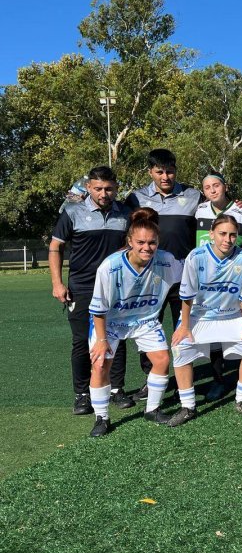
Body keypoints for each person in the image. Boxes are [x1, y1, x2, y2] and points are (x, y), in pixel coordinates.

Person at [85, 209, 179, 436]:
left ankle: (152, 409)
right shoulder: (110, 266)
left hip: (145, 320)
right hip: (109, 322)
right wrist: (101, 341)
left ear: (158, 242)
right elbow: (98, 308)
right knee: (100, 365)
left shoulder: (167, 261)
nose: (147, 247)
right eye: (141, 242)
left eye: (152, 242)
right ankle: (101, 418)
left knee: (162, 360)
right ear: (129, 242)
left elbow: (193, 273)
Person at [50, 166, 132, 414]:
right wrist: (57, 283)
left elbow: (130, 246)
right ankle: (82, 395)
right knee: (80, 341)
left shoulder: (125, 213)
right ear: (88, 187)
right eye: (98, 189)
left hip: (116, 288)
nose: (103, 194)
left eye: (109, 189)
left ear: (116, 188)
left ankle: (116, 389)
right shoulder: (73, 212)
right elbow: (55, 247)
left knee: (116, 338)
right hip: (81, 287)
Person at [169, 215, 242, 425]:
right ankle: (188, 406)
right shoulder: (196, 256)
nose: (227, 239)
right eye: (222, 234)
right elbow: (187, 296)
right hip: (200, 315)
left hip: (232, 315)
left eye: (232, 235)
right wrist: (184, 327)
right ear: (211, 234)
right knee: (180, 346)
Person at [125, 149, 202, 400]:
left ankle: (186, 380)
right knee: (147, 328)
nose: (165, 176)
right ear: (150, 172)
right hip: (149, 278)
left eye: (170, 171)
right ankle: (152, 379)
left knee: (186, 327)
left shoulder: (193, 195)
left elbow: (218, 212)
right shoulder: (135, 198)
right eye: (160, 172)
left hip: (183, 277)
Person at [196, 172, 242, 400]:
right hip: (207, 282)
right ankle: (218, 380)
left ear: (225, 186)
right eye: (207, 187)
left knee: (239, 329)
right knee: (212, 333)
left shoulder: (241, 212)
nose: (213, 190)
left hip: (234, 279)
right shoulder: (199, 211)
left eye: (216, 185)